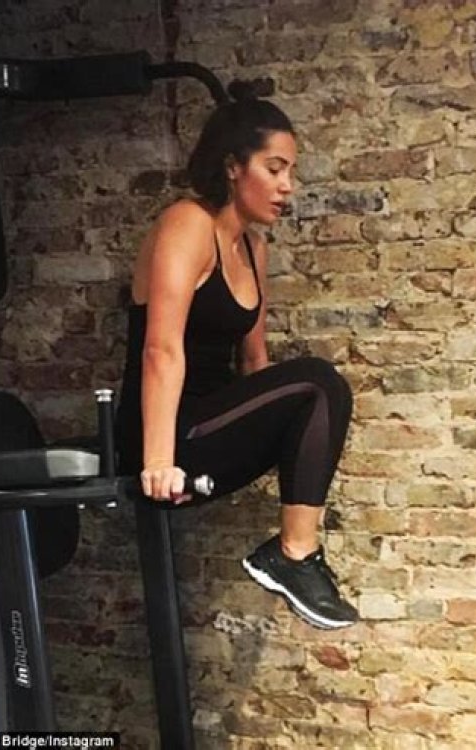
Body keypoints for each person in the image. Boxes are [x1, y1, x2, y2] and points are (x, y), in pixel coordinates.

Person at [115, 85, 358, 630]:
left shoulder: (253, 247)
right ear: (232, 166)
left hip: (211, 426)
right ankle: (294, 556)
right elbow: (161, 348)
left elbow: (254, 365)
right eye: (274, 169)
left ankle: (294, 555)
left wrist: (283, 431)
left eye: (291, 172)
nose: (287, 186)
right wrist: (157, 461)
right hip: (163, 435)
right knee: (319, 381)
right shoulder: (186, 223)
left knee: (321, 392)